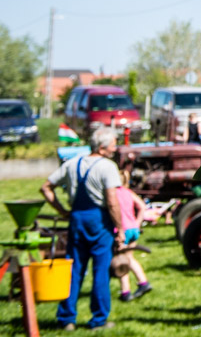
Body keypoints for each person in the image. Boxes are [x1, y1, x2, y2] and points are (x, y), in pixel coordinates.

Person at [40, 126, 124, 330]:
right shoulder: (107, 166)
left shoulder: (72, 163)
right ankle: (98, 320)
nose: (115, 149)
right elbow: (112, 202)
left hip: (77, 218)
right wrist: (120, 228)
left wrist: (62, 211)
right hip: (99, 220)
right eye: (113, 145)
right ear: (103, 147)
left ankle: (67, 318)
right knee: (100, 270)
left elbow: (46, 187)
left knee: (74, 269)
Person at [114, 169, 152, 302]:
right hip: (133, 229)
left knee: (121, 260)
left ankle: (126, 291)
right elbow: (142, 206)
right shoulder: (128, 192)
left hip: (122, 231)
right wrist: (137, 222)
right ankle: (142, 283)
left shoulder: (113, 193)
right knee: (129, 258)